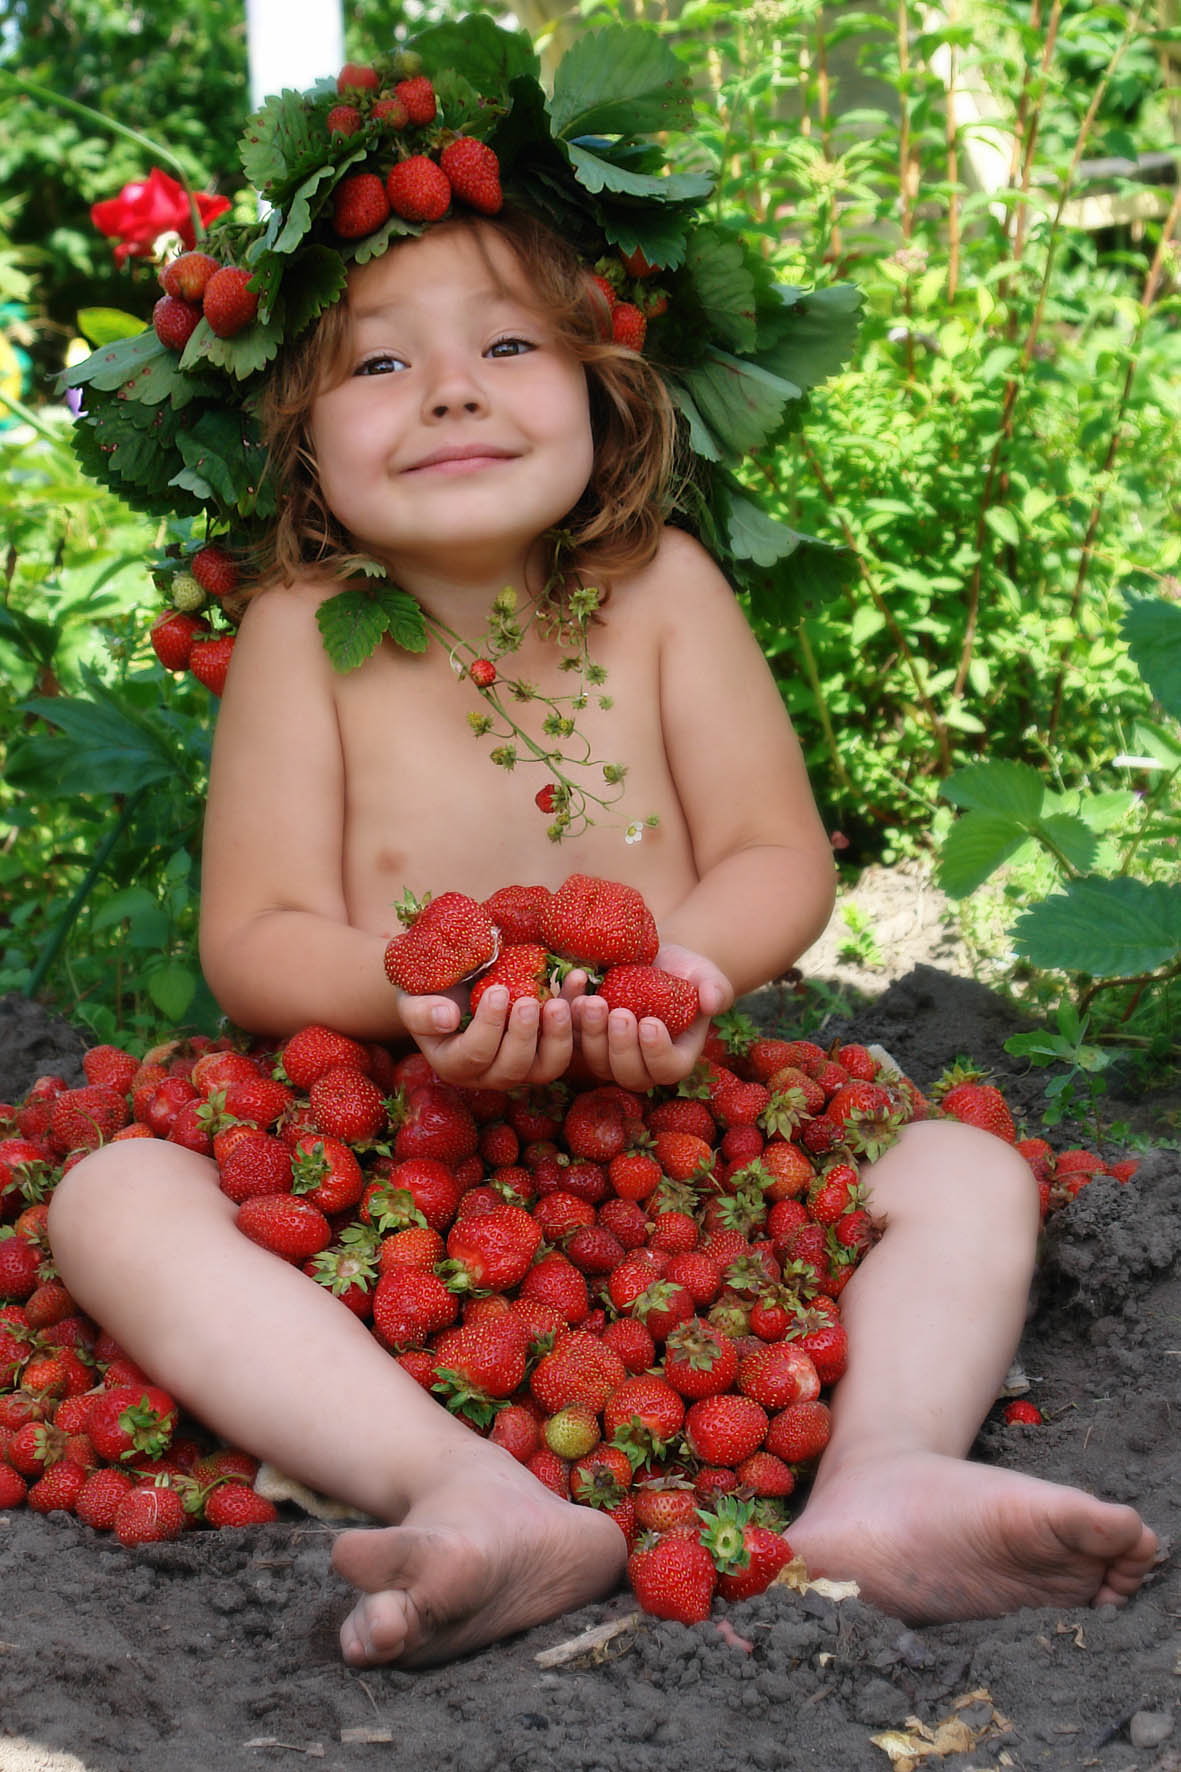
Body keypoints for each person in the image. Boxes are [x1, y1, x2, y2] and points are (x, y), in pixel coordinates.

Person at [46, 26, 1156, 1670]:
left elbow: (778, 852)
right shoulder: (299, 626)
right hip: (387, 1151)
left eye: (506, 343)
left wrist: (691, 969)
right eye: (376, 365)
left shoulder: (663, 596)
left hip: (680, 1124)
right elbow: (256, 935)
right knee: (117, 1196)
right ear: (293, 443)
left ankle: (882, 1472)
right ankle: (464, 1487)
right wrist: (408, 997)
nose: (448, 390)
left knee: (962, 1169)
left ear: (602, 383)